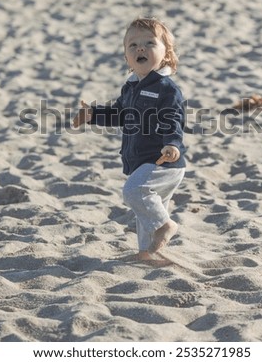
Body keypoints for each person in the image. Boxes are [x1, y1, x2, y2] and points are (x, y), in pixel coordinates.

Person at [73, 17, 186, 261]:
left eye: (149, 43)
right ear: (126, 57)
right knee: (145, 210)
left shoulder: (166, 88)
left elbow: (173, 118)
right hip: (141, 160)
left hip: (162, 161)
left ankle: (166, 226)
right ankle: (146, 253)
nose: (140, 48)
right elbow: (119, 114)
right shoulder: (131, 87)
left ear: (166, 55)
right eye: (133, 45)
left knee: (134, 192)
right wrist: (93, 114)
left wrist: (172, 143)